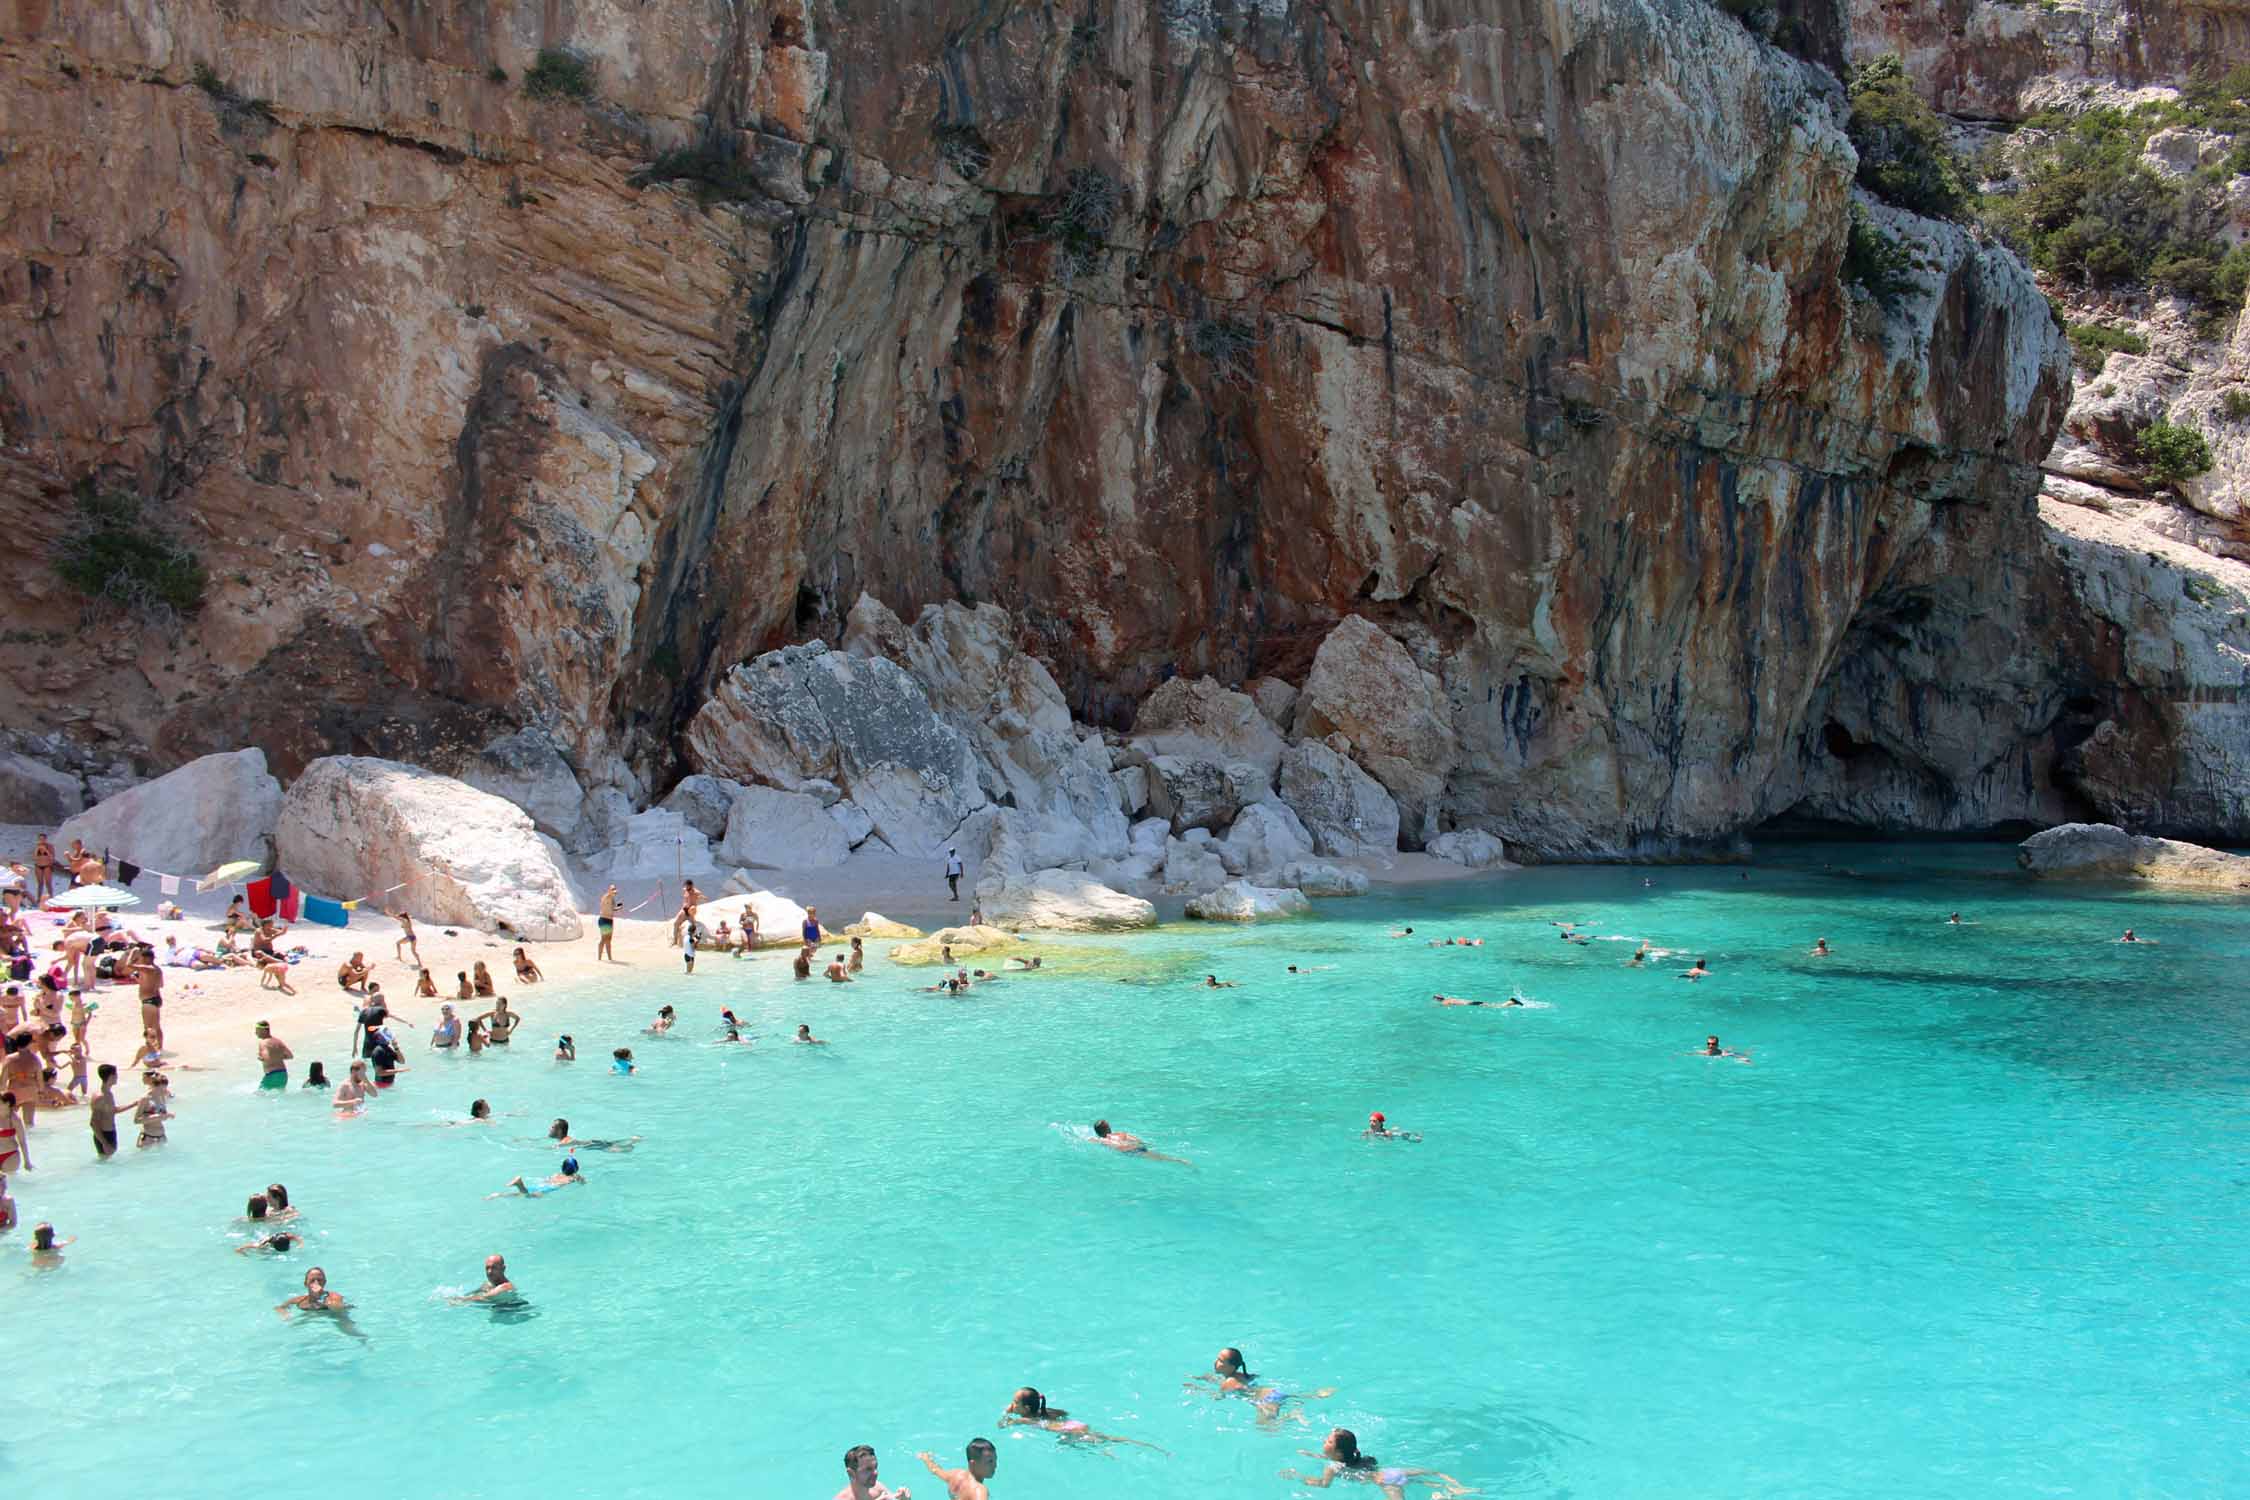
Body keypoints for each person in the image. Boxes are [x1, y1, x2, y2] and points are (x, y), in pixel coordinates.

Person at [1282, 1426, 1466, 1498]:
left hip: (1385, 1481)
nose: (1324, 1441)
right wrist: (1313, 1455)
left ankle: (1441, 1497)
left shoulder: (1332, 1467)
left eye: (1328, 1441)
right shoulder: (1356, 1459)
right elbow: (1344, 1462)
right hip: (1392, 1473)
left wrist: (1299, 1477)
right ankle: (1454, 1488)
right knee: (1431, 1474)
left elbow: (1323, 1485)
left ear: (1337, 1452)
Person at [1195, 1347, 1337, 1424]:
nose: (1215, 1362)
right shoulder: (1241, 1375)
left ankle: (1292, 1416)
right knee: (1295, 1397)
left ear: (1231, 1367)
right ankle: (1316, 1394)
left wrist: (1197, 1389)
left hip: (1266, 1401)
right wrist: (1207, 1379)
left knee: (1265, 1427)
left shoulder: (1229, 1382)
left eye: (1220, 1360)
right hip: (1273, 1392)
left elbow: (1218, 1397)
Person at [999, 1387, 1164, 1450]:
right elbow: (1064, 1413)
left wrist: (1006, 1413)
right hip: (1074, 1425)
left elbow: (1002, 1425)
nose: (1012, 1404)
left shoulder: (1027, 1420)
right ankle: (1144, 1444)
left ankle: (1117, 1451)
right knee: (1108, 1438)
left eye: (1015, 1402)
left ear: (1026, 1409)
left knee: (1103, 1446)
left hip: (1071, 1431)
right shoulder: (1046, 1411)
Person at [275, 1266, 365, 1339]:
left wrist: (321, 1296)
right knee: (292, 1327)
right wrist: (285, 1314)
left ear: (324, 1282)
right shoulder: (300, 1300)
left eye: (319, 1280)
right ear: (305, 1283)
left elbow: (338, 1308)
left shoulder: (334, 1296)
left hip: (335, 1316)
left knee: (353, 1333)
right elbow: (279, 1307)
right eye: (312, 1280)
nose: (316, 1283)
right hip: (312, 1316)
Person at [918, 1439, 997, 1500]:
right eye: (990, 1461)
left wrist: (926, 1458)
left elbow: (935, 1470)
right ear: (973, 1463)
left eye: (995, 1460)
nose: (995, 1465)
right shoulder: (979, 1490)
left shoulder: (955, 1474)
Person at [1091, 1118, 1189, 1165]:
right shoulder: (1120, 1133)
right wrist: (1144, 1143)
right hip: (1136, 1145)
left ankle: (1178, 1161)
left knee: (1158, 1157)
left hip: (1128, 1150)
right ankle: (1178, 1160)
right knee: (1155, 1154)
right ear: (1108, 1127)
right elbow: (1135, 1139)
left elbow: (1094, 1140)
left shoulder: (1101, 1139)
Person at [836, 1443, 910, 1500]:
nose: (875, 1473)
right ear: (851, 1473)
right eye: (868, 1469)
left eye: (875, 1467)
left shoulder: (878, 1489)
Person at [491, 1157, 585, 1197]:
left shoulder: (557, 1174)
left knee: (523, 1194)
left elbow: (547, 1179)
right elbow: (583, 1182)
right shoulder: (574, 1177)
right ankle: (519, 1183)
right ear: (576, 1168)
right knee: (531, 1196)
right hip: (549, 1188)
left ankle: (499, 1195)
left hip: (543, 1184)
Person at [450, 1253, 520, 1305]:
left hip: (515, 1312)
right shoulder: (488, 1285)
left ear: (503, 1269)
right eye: (487, 1268)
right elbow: (473, 1294)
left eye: (493, 1268)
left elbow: (485, 1297)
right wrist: (458, 1297)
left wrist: (460, 1300)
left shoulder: (506, 1286)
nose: (489, 1271)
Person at [87, 1062, 124, 1158]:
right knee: (105, 1161)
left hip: (111, 1132)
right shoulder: (100, 1097)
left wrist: (135, 1104)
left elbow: (113, 1111)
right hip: (104, 1135)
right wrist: (105, 1143)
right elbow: (93, 1123)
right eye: (116, 1074)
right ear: (111, 1076)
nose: (117, 1077)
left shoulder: (108, 1094)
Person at [548, 1119, 638, 1152]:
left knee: (618, 1149)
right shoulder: (566, 1139)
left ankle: (633, 1143)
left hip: (590, 1145)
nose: (549, 1129)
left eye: (552, 1127)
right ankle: (633, 1140)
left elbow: (556, 1147)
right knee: (612, 1144)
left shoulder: (563, 1142)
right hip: (590, 1143)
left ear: (559, 1131)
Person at [255, 1020, 293, 1089]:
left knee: (260, 1096)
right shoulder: (278, 1041)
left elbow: (266, 1057)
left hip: (272, 1075)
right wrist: (277, 1056)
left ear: (264, 1030)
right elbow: (290, 1056)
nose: (255, 1033)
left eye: (257, 1030)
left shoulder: (263, 1043)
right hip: (283, 1075)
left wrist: (261, 1058)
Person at [597, 884, 620, 963]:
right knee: (604, 939)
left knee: (609, 940)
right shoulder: (606, 896)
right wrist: (611, 891)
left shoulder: (612, 899)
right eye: (612, 891)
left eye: (615, 892)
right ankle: (599, 958)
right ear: (609, 891)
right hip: (603, 919)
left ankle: (610, 958)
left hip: (610, 920)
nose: (614, 893)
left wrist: (619, 907)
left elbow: (613, 909)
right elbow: (608, 895)